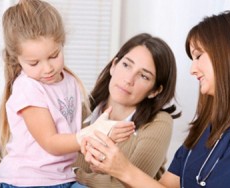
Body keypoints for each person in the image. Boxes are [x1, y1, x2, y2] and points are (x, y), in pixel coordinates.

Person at [81, 10, 230, 188]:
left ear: (226, 56)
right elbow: (166, 186)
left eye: (198, 56)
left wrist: (123, 169)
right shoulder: (207, 129)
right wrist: (116, 168)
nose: (192, 70)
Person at [0, 0, 134, 187]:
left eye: (54, 55)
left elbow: (70, 138)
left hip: (62, 177)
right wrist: (89, 135)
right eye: (34, 63)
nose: (48, 68)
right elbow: (51, 142)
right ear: (17, 59)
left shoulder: (70, 82)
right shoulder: (28, 87)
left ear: (62, 43)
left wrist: (100, 140)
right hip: (27, 181)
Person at [71, 33, 181, 187]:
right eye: (126, 65)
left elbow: (126, 185)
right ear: (114, 65)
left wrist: (74, 175)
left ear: (154, 91)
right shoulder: (78, 111)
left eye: (143, 76)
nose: (129, 79)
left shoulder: (158, 122)